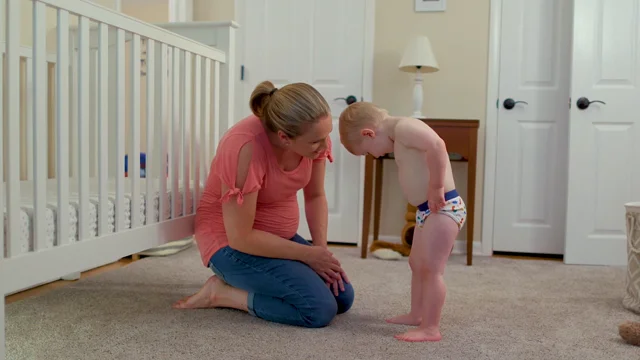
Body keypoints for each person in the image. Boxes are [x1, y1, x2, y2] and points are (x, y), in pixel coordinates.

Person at [173, 80, 354, 328]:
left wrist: (320, 254)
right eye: (316, 142)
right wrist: (307, 255)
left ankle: (265, 283)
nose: (324, 146)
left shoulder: (314, 138)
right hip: (230, 244)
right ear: (284, 137)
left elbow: (315, 196)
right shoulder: (245, 147)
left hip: (276, 240)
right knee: (318, 309)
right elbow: (241, 237)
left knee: (342, 298)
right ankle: (222, 293)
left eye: (327, 136)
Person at [338, 102, 466, 342]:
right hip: (427, 210)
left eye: (367, 151)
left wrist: (437, 186)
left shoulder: (406, 127)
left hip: (444, 206)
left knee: (431, 269)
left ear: (369, 133)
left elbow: (437, 145)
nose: (374, 156)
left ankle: (431, 328)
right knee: (417, 264)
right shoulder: (399, 137)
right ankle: (417, 313)